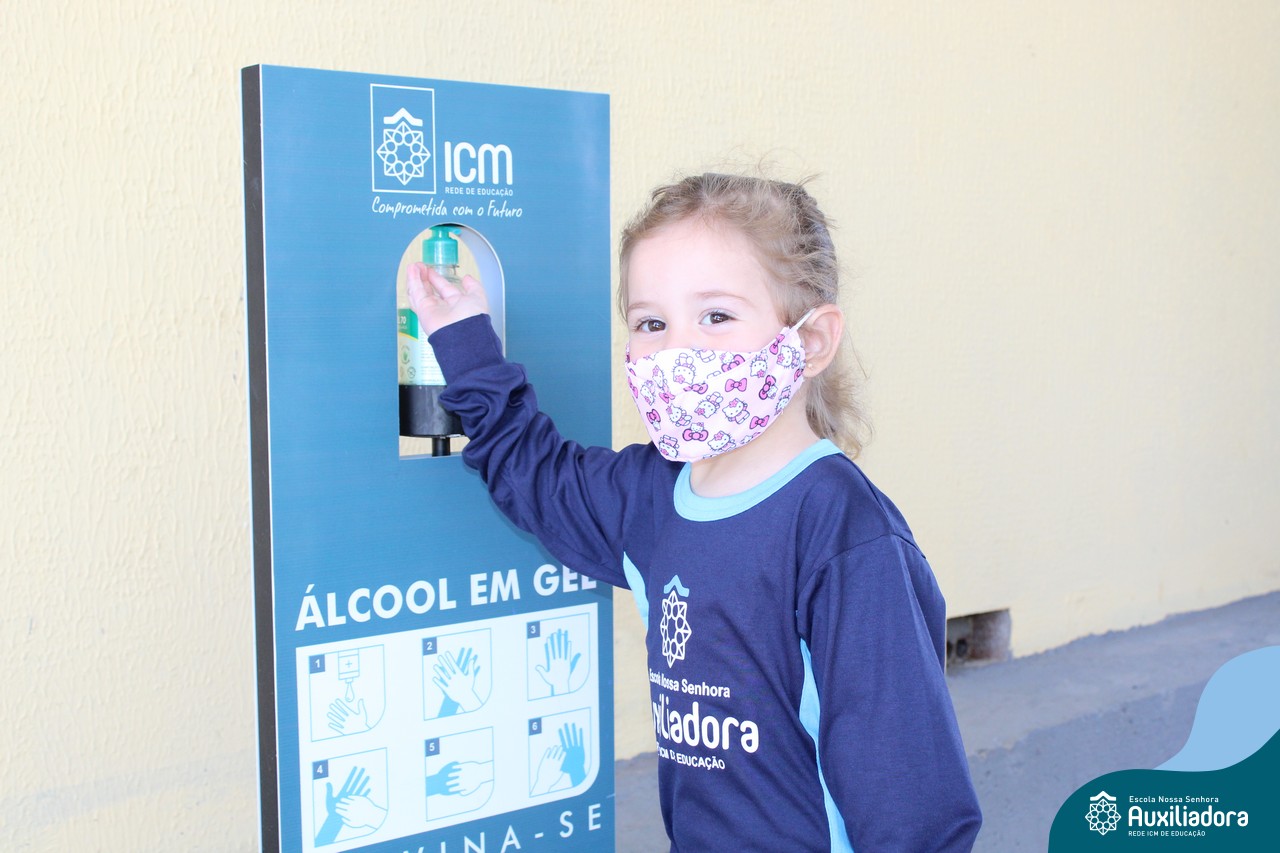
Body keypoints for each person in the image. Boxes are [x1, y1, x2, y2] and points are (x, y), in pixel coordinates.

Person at [408, 173, 982, 851]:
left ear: (811, 340)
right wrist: (464, 340)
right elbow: (537, 475)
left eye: (716, 316)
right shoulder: (651, 495)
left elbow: (912, 802)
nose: (676, 350)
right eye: (651, 323)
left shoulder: (844, 532)